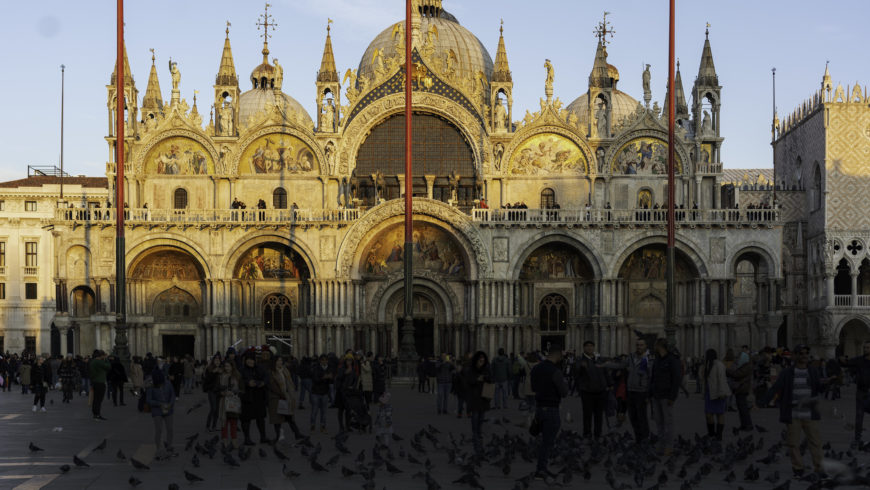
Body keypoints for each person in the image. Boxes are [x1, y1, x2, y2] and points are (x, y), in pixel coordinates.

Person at [760, 345, 825, 478]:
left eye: (806, 353)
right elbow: (776, 388)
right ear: (795, 356)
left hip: (809, 413)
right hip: (793, 413)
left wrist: (828, 383)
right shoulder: (787, 373)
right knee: (793, 443)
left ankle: (820, 468)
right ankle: (798, 468)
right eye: (801, 353)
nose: (804, 356)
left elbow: (818, 388)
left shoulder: (813, 371)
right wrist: (762, 402)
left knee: (815, 442)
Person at [531, 344, 569, 480]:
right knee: (547, 442)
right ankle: (541, 470)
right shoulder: (555, 371)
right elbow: (564, 392)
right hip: (551, 409)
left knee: (543, 441)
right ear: (558, 355)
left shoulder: (535, 368)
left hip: (539, 408)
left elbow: (533, 387)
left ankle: (541, 468)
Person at [604, 338, 652, 442]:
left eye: (641, 345)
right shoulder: (630, 357)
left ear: (645, 346)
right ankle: (638, 439)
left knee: (642, 417)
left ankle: (645, 439)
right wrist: (605, 364)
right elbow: (620, 365)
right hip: (630, 391)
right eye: (637, 345)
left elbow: (650, 378)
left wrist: (648, 395)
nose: (639, 347)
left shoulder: (647, 359)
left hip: (641, 392)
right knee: (633, 417)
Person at [650, 339, 682, 454]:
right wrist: (651, 392)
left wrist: (672, 397)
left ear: (659, 346)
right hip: (656, 395)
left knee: (668, 422)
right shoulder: (657, 359)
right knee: (659, 421)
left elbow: (677, 379)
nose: (653, 347)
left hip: (666, 396)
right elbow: (653, 377)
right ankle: (661, 443)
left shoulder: (672, 360)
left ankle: (669, 445)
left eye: (655, 345)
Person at [576, 341, 609, 439]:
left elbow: (605, 372)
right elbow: (576, 373)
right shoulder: (580, 360)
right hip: (587, 392)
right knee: (587, 414)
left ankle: (598, 434)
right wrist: (581, 368)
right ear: (584, 348)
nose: (590, 348)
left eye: (591, 346)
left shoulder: (599, 359)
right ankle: (587, 434)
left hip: (600, 391)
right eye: (587, 346)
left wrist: (609, 384)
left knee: (599, 414)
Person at [840, 340, 870, 447]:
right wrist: (842, 360)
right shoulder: (859, 360)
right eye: (865, 347)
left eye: (867, 348)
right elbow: (847, 363)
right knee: (859, 415)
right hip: (861, 391)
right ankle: (857, 438)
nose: (865, 349)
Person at [463, 351, 492, 456]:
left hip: (483, 400)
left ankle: (481, 447)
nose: (482, 360)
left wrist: (485, 377)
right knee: (475, 427)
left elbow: (491, 379)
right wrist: (477, 379)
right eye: (480, 358)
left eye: (483, 358)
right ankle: (477, 448)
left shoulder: (487, 368)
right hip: (474, 401)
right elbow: (468, 382)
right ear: (476, 359)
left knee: (480, 426)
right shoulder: (470, 370)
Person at [268, 357, 303, 441]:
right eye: (278, 360)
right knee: (277, 420)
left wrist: (289, 394)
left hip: (286, 397)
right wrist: (281, 393)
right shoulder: (271, 372)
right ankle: (278, 436)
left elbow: (289, 383)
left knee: (290, 417)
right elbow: (272, 385)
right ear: (274, 362)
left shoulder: (285, 370)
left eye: (281, 360)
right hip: (276, 398)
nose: (280, 362)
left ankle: (297, 434)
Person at [239, 352, 269, 445]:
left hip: (258, 396)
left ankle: (263, 437)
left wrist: (263, 383)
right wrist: (247, 383)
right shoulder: (242, 370)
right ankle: (247, 438)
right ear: (245, 360)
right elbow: (238, 380)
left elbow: (267, 377)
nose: (250, 361)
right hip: (247, 397)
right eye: (248, 359)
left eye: (252, 359)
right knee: (246, 419)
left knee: (260, 418)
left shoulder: (260, 368)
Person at [700, 348, 730, 440]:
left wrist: (721, 392)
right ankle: (711, 433)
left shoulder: (719, 365)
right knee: (708, 414)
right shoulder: (706, 365)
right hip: (710, 393)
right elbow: (703, 378)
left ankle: (719, 435)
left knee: (719, 414)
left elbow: (722, 379)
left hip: (718, 392)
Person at [146, 369, 176, 458]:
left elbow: (172, 395)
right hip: (157, 410)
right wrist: (158, 403)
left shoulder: (168, 383)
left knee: (170, 429)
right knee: (158, 430)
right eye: (158, 384)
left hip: (168, 409)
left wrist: (170, 404)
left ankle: (169, 446)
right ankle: (158, 448)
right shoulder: (151, 386)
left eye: (161, 383)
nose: (160, 385)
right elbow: (148, 400)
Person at [727, 350, 754, 432]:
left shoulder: (746, 366)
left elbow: (738, 374)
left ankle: (748, 424)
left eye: (739, 357)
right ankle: (744, 424)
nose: (738, 359)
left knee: (743, 408)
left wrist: (727, 371)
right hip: (741, 388)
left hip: (742, 388)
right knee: (741, 408)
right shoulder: (744, 365)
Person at [217, 361, 241, 448]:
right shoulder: (221, 376)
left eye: (228, 366)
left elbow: (240, 388)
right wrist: (222, 393)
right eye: (226, 366)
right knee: (224, 422)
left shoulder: (236, 376)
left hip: (233, 401)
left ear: (232, 367)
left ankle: (234, 440)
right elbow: (217, 388)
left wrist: (234, 392)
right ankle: (224, 439)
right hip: (223, 402)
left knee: (233, 422)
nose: (227, 368)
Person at [310, 355, 334, 434]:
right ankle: (312, 425)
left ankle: (323, 426)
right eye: (322, 360)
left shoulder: (329, 368)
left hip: (324, 392)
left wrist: (330, 378)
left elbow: (331, 380)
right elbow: (315, 379)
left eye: (325, 360)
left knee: (324, 411)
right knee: (315, 410)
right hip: (316, 392)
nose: (324, 361)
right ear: (320, 361)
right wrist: (324, 377)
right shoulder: (316, 368)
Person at [89, 350, 111, 421]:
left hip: (94, 381)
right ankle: (97, 414)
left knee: (95, 399)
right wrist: (106, 359)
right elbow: (108, 367)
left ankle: (95, 414)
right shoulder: (99, 362)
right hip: (100, 382)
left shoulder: (92, 362)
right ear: (101, 356)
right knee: (99, 399)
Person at [203, 355, 223, 432]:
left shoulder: (222, 369)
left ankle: (214, 426)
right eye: (216, 360)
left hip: (219, 391)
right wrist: (214, 372)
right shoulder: (209, 368)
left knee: (217, 410)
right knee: (213, 408)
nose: (217, 361)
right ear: (213, 361)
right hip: (212, 391)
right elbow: (207, 380)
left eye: (218, 360)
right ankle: (207, 426)